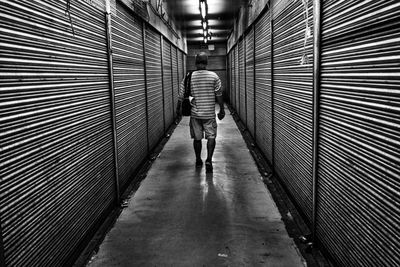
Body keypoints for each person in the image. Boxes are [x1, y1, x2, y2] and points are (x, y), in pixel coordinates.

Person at [176, 52, 225, 173]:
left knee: (197, 139)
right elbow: (219, 95)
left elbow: (181, 94)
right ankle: (208, 160)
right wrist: (222, 110)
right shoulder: (214, 76)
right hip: (209, 113)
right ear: (206, 62)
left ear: (195, 62)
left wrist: (178, 109)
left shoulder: (189, 77)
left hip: (195, 114)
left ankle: (198, 159)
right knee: (211, 137)